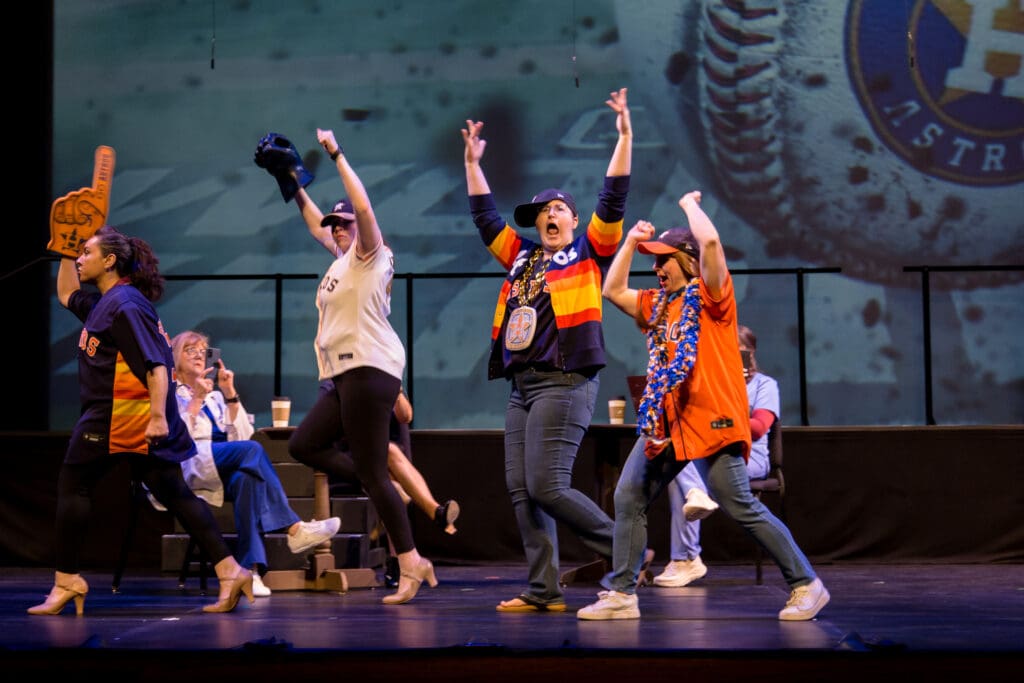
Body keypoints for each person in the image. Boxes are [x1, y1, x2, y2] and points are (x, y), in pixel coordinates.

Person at [578, 193, 829, 621]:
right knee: (628, 495)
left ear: (687, 260)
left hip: (713, 422)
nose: (655, 269)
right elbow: (612, 289)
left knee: (738, 504)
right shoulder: (657, 306)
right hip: (668, 425)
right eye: (653, 262)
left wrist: (689, 207)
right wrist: (630, 241)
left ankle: (807, 583)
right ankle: (621, 593)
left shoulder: (713, 299)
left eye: (663, 260)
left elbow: (711, 246)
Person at [460, 87, 632, 612]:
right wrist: (472, 163)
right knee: (521, 489)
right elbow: (487, 218)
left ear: (574, 221)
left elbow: (613, 199)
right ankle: (544, 589)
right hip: (523, 386)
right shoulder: (521, 258)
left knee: (547, 485)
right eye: (542, 212)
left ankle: (628, 553)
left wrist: (624, 136)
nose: (549, 215)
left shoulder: (588, 252)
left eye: (558, 209)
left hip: (565, 379)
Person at [31, 225, 253, 616]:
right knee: (173, 491)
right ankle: (231, 570)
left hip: (121, 416)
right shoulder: (106, 301)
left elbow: (157, 364)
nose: (81, 259)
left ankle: (67, 580)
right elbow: (66, 294)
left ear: (110, 261)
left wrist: (156, 418)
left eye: (86, 252)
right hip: (119, 413)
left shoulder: (126, 306)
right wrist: (66, 247)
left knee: (74, 485)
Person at [255, 128, 435, 605]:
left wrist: (336, 154)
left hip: (370, 370)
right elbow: (315, 223)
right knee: (304, 444)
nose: (337, 228)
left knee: (374, 475)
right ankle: (381, 482)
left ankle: (411, 561)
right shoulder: (340, 264)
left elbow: (367, 211)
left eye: (345, 223)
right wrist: (293, 185)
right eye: (336, 224)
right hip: (344, 376)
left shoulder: (373, 256)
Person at [170, 330, 341, 597]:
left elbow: (240, 436)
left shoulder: (216, 396)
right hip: (192, 463)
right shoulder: (171, 394)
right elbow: (177, 440)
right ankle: (294, 527)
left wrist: (230, 394)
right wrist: (196, 400)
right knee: (253, 451)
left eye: (203, 350)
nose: (199, 355)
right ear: (175, 358)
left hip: (221, 465)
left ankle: (250, 572)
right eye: (190, 350)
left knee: (248, 479)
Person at [652, 324, 779, 587]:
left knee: (685, 473)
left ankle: (685, 557)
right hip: (709, 452)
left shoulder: (764, 385)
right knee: (677, 460)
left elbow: (757, 429)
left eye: (738, 351)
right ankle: (686, 558)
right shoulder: (712, 382)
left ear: (750, 353)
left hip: (746, 457)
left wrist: (723, 406)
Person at [319, 380, 460, 587]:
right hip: (348, 458)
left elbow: (405, 416)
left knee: (391, 456)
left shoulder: (380, 376)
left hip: (383, 461)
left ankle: (428, 522)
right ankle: (431, 517)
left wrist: (396, 387)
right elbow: (330, 424)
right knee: (391, 467)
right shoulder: (332, 381)